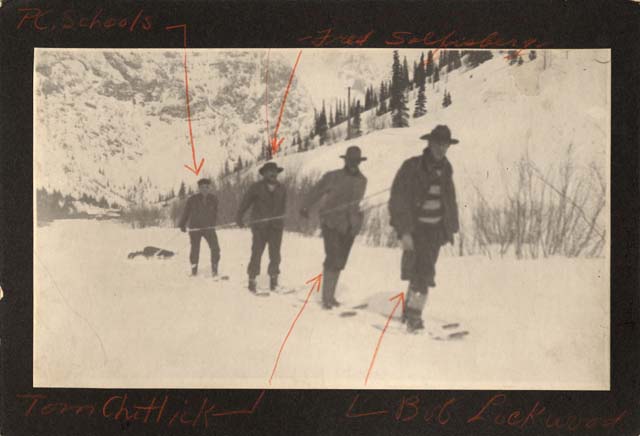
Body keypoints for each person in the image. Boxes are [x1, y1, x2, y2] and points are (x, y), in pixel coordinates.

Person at [388, 125, 460, 333]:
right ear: (429, 143)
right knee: (423, 272)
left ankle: (409, 312)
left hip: (436, 230)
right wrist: (404, 232)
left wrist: (451, 227)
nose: (441, 149)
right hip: (415, 229)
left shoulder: (446, 168)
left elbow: (450, 198)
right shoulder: (412, 166)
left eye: (445, 145)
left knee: (420, 271)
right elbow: (397, 200)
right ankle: (414, 317)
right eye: (438, 144)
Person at [300, 145, 367, 309]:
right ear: (346, 161)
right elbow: (316, 191)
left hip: (350, 226)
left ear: (359, 162)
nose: (353, 164)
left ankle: (331, 296)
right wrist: (305, 206)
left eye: (356, 161)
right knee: (332, 256)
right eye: (350, 160)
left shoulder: (362, 181)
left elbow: (356, 204)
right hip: (331, 222)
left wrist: (355, 218)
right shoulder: (333, 176)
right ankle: (326, 298)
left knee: (340, 260)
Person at [236, 162, 287, 292]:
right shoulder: (256, 187)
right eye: (269, 171)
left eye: (275, 171)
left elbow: (283, 207)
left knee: (275, 255)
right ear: (264, 174)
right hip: (259, 227)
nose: (273, 173)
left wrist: (281, 218)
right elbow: (245, 202)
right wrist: (239, 217)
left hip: (276, 227)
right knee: (257, 253)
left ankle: (274, 282)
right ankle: (252, 280)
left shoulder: (282, 188)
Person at [178, 178, 221, 277]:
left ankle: (215, 270)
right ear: (199, 188)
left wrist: (213, 224)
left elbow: (215, 213)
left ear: (209, 188)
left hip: (208, 228)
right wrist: (182, 224)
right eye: (202, 187)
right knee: (195, 249)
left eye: (206, 187)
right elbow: (186, 213)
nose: (204, 189)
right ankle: (194, 270)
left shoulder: (214, 199)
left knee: (215, 248)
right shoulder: (192, 199)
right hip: (195, 228)